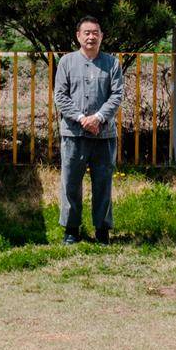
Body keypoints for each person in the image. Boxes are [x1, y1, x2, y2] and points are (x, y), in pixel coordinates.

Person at [52, 15, 124, 244]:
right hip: (74, 134)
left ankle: (102, 231)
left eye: (95, 33)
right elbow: (60, 96)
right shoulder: (66, 62)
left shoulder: (112, 63)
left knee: (103, 184)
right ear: (78, 36)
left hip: (104, 135)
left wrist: (99, 117)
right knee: (71, 183)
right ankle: (71, 229)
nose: (91, 37)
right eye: (87, 33)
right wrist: (83, 118)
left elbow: (117, 94)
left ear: (101, 36)